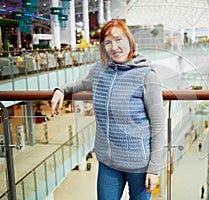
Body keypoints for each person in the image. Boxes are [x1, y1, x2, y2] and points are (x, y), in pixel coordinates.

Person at [50, 19, 165, 200]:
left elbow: (158, 123)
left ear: (129, 41)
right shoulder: (99, 70)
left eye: (118, 40)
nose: (114, 47)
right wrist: (60, 90)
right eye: (108, 42)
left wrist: (154, 168)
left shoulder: (146, 75)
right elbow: (81, 84)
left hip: (139, 165)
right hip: (108, 163)